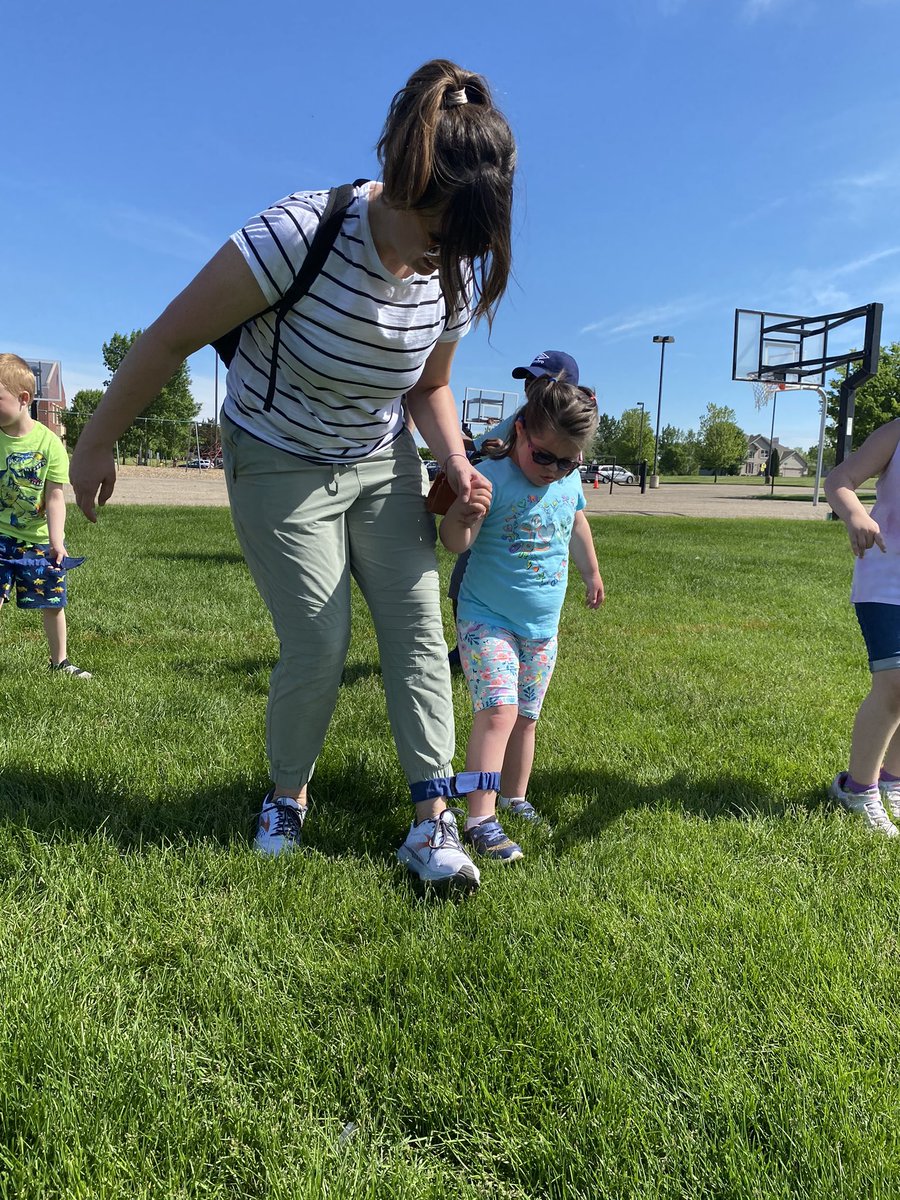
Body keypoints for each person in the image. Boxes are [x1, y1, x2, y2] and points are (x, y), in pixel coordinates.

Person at [69, 59, 516, 891]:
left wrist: (455, 458)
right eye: (435, 232)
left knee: (420, 631)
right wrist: (97, 441)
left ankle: (432, 821)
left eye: (463, 246)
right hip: (276, 454)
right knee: (319, 638)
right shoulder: (296, 234)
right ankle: (286, 796)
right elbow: (169, 336)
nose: (442, 261)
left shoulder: (448, 271)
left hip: (381, 458)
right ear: (401, 176)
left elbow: (431, 383)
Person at [439, 376, 604, 861]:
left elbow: (577, 523)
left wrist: (591, 572)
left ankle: (514, 797)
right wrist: (463, 514)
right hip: (486, 618)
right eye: (544, 456)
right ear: (521, 431)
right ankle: (480, 818)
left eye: (568, 460)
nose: (554, 470)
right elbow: (454, 543)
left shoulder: (568, 480)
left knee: (527, 719)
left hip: (541, 629)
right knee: (498, 713)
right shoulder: (491, 476)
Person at [447, 351, 584, 670]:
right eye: (528, 380)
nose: (531, 388)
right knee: (463, 583)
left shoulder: (561, 426)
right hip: (494, 512)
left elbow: (576, 513)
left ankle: (504, 644)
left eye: (540, 381)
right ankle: (472, 644)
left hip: (523, 523)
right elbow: (484, 445)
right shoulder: (523, 419)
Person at [825, 418, 900, 836]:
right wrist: (854, 514)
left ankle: (892, 779)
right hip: (887, 577)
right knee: (894, 685)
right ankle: (857, 789)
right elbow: (840, 479)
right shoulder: (896, 434)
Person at [0, 354, 91, 679]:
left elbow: (54, 497)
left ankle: (60, 662)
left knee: (53, 601)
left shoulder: (49, 443)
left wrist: (56, 541)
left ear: (23, 399)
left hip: (37, 541)